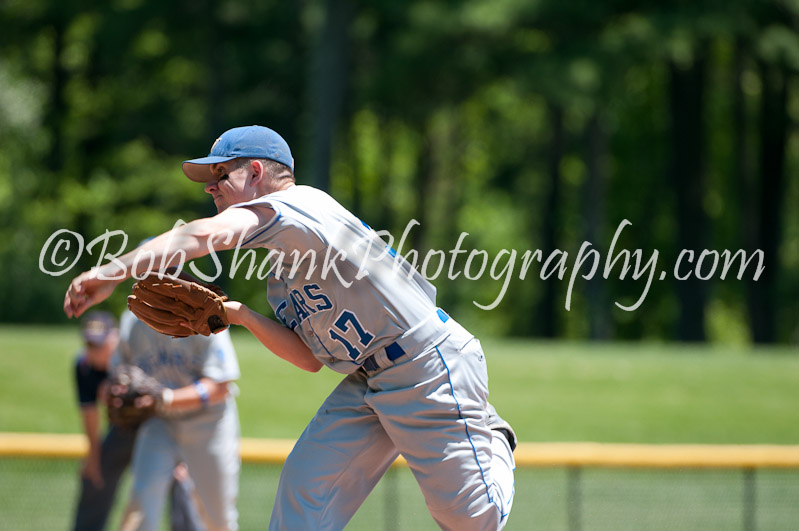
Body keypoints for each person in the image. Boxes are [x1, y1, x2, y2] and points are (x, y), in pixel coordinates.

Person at [64, 125, 516, 530]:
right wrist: (236, 312)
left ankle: (494, 441)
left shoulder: (299, 206)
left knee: (469, 519)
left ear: (256, 172)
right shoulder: (282, 275)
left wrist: (110, 272)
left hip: (426, 364)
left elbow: (201, 236)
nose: (211, 189)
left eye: (219, 176)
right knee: (304, 492)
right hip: (367, 379)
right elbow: (308, 360)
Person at [71, 311, 201, 531]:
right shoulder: (84, 366)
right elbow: (90, 414)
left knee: (180, 481)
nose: (95, 351)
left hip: (160, 426)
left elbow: (168, 399)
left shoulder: (135, 354)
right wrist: (93, 456)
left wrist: (182, 453)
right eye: (90, 345)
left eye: (100, 344)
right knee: (95, 472)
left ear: (115, 337)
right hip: (122, 431)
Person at [113, 309, 241, 531]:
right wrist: (114, 392)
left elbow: (221, 386)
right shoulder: (132, 322)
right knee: (140, 504)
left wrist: (166, 398)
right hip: (160, 422)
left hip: (208, 422)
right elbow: (116, 374)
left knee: (217, 518)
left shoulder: (204, 314)